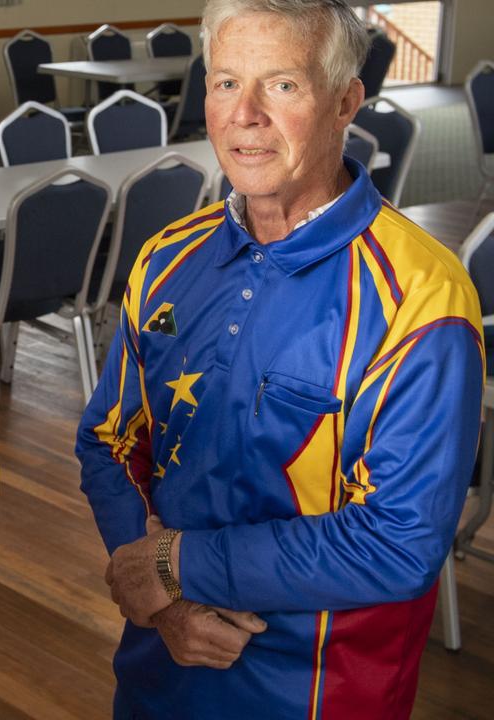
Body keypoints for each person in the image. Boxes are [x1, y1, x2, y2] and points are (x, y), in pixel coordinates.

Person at [76, 1, 484, 718]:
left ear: (346, 102)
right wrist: (163, 602)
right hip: (157, 668)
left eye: (284, 85)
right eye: (226, 82)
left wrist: (176, 565)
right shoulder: (166, 256)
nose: (245, 114)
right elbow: (109, 439)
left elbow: (401, 540)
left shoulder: (420, 296)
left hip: (319, 690)